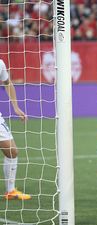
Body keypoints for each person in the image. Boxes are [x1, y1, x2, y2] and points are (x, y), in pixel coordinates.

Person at [0, 59, 31, 200]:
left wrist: (16, 107)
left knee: (12, 151)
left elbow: (7, 83)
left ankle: (10, 191)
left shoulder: (0, 64)